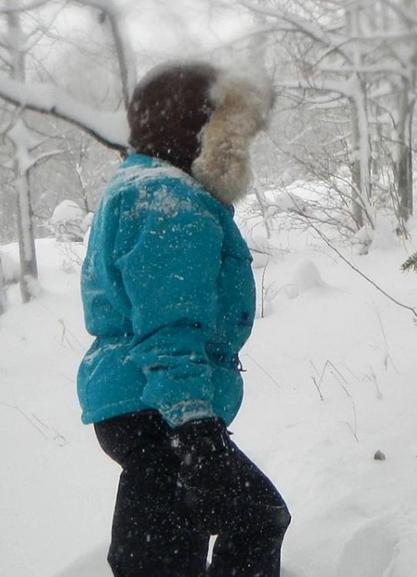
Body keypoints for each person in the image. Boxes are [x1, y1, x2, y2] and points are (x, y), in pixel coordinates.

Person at [77, 61, 288, 577]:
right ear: (197, 130)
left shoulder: (145, 186)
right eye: (231, 130)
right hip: (158, 411)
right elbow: (169, 329)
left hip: (144, 406)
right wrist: (195, 429)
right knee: (252, 519)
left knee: (173, 544)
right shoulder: (169, 203)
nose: (240, 146)